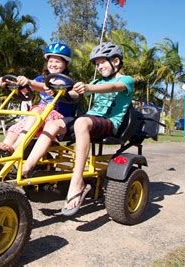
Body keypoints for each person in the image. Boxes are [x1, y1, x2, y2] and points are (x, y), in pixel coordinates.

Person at [21, 42, 134, 216]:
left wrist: (89, 87)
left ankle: (77, 181)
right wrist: (59, 91)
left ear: (116, 61)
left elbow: (111, 87)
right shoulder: (96, 81)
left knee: (81, 122)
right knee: (53, 124)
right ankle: (26, 168)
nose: (99, 67)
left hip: (110, 123)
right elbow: (74, 94)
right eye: (97, 64)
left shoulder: (125, 80)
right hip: (89, 119)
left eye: (102, 62)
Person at [0, 43, 76, 156]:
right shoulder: (40, 78)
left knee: (36, 111)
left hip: (58, 119)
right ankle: (3, 154)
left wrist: (30, 82)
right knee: (15, 128)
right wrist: (9, 83)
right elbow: (27, 88)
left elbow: (49, 87)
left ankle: (15, 147)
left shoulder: (65, 80)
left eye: (58, 62)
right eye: (51, 61)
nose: (53, 64)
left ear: (65, 64)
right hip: (39, 117)